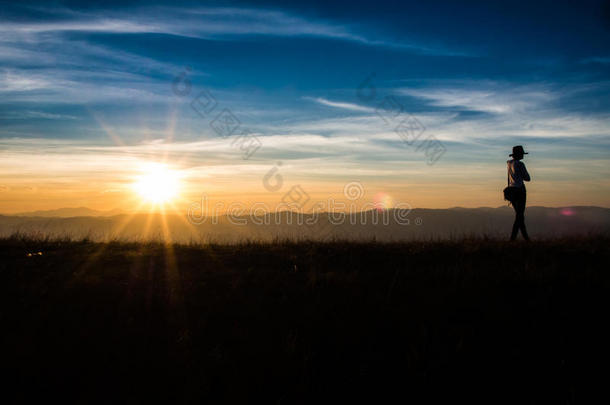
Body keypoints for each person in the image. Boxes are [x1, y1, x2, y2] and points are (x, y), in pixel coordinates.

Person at [507, 145, 531, 241]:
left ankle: (525, 238)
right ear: (519, 154)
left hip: (511, 191)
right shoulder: (520, 164)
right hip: (520, 190)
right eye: (522, 154)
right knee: (520, 215)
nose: (523, 155)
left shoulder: (509, 163)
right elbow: (527, 178)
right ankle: (513, 239)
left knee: (519, 215)